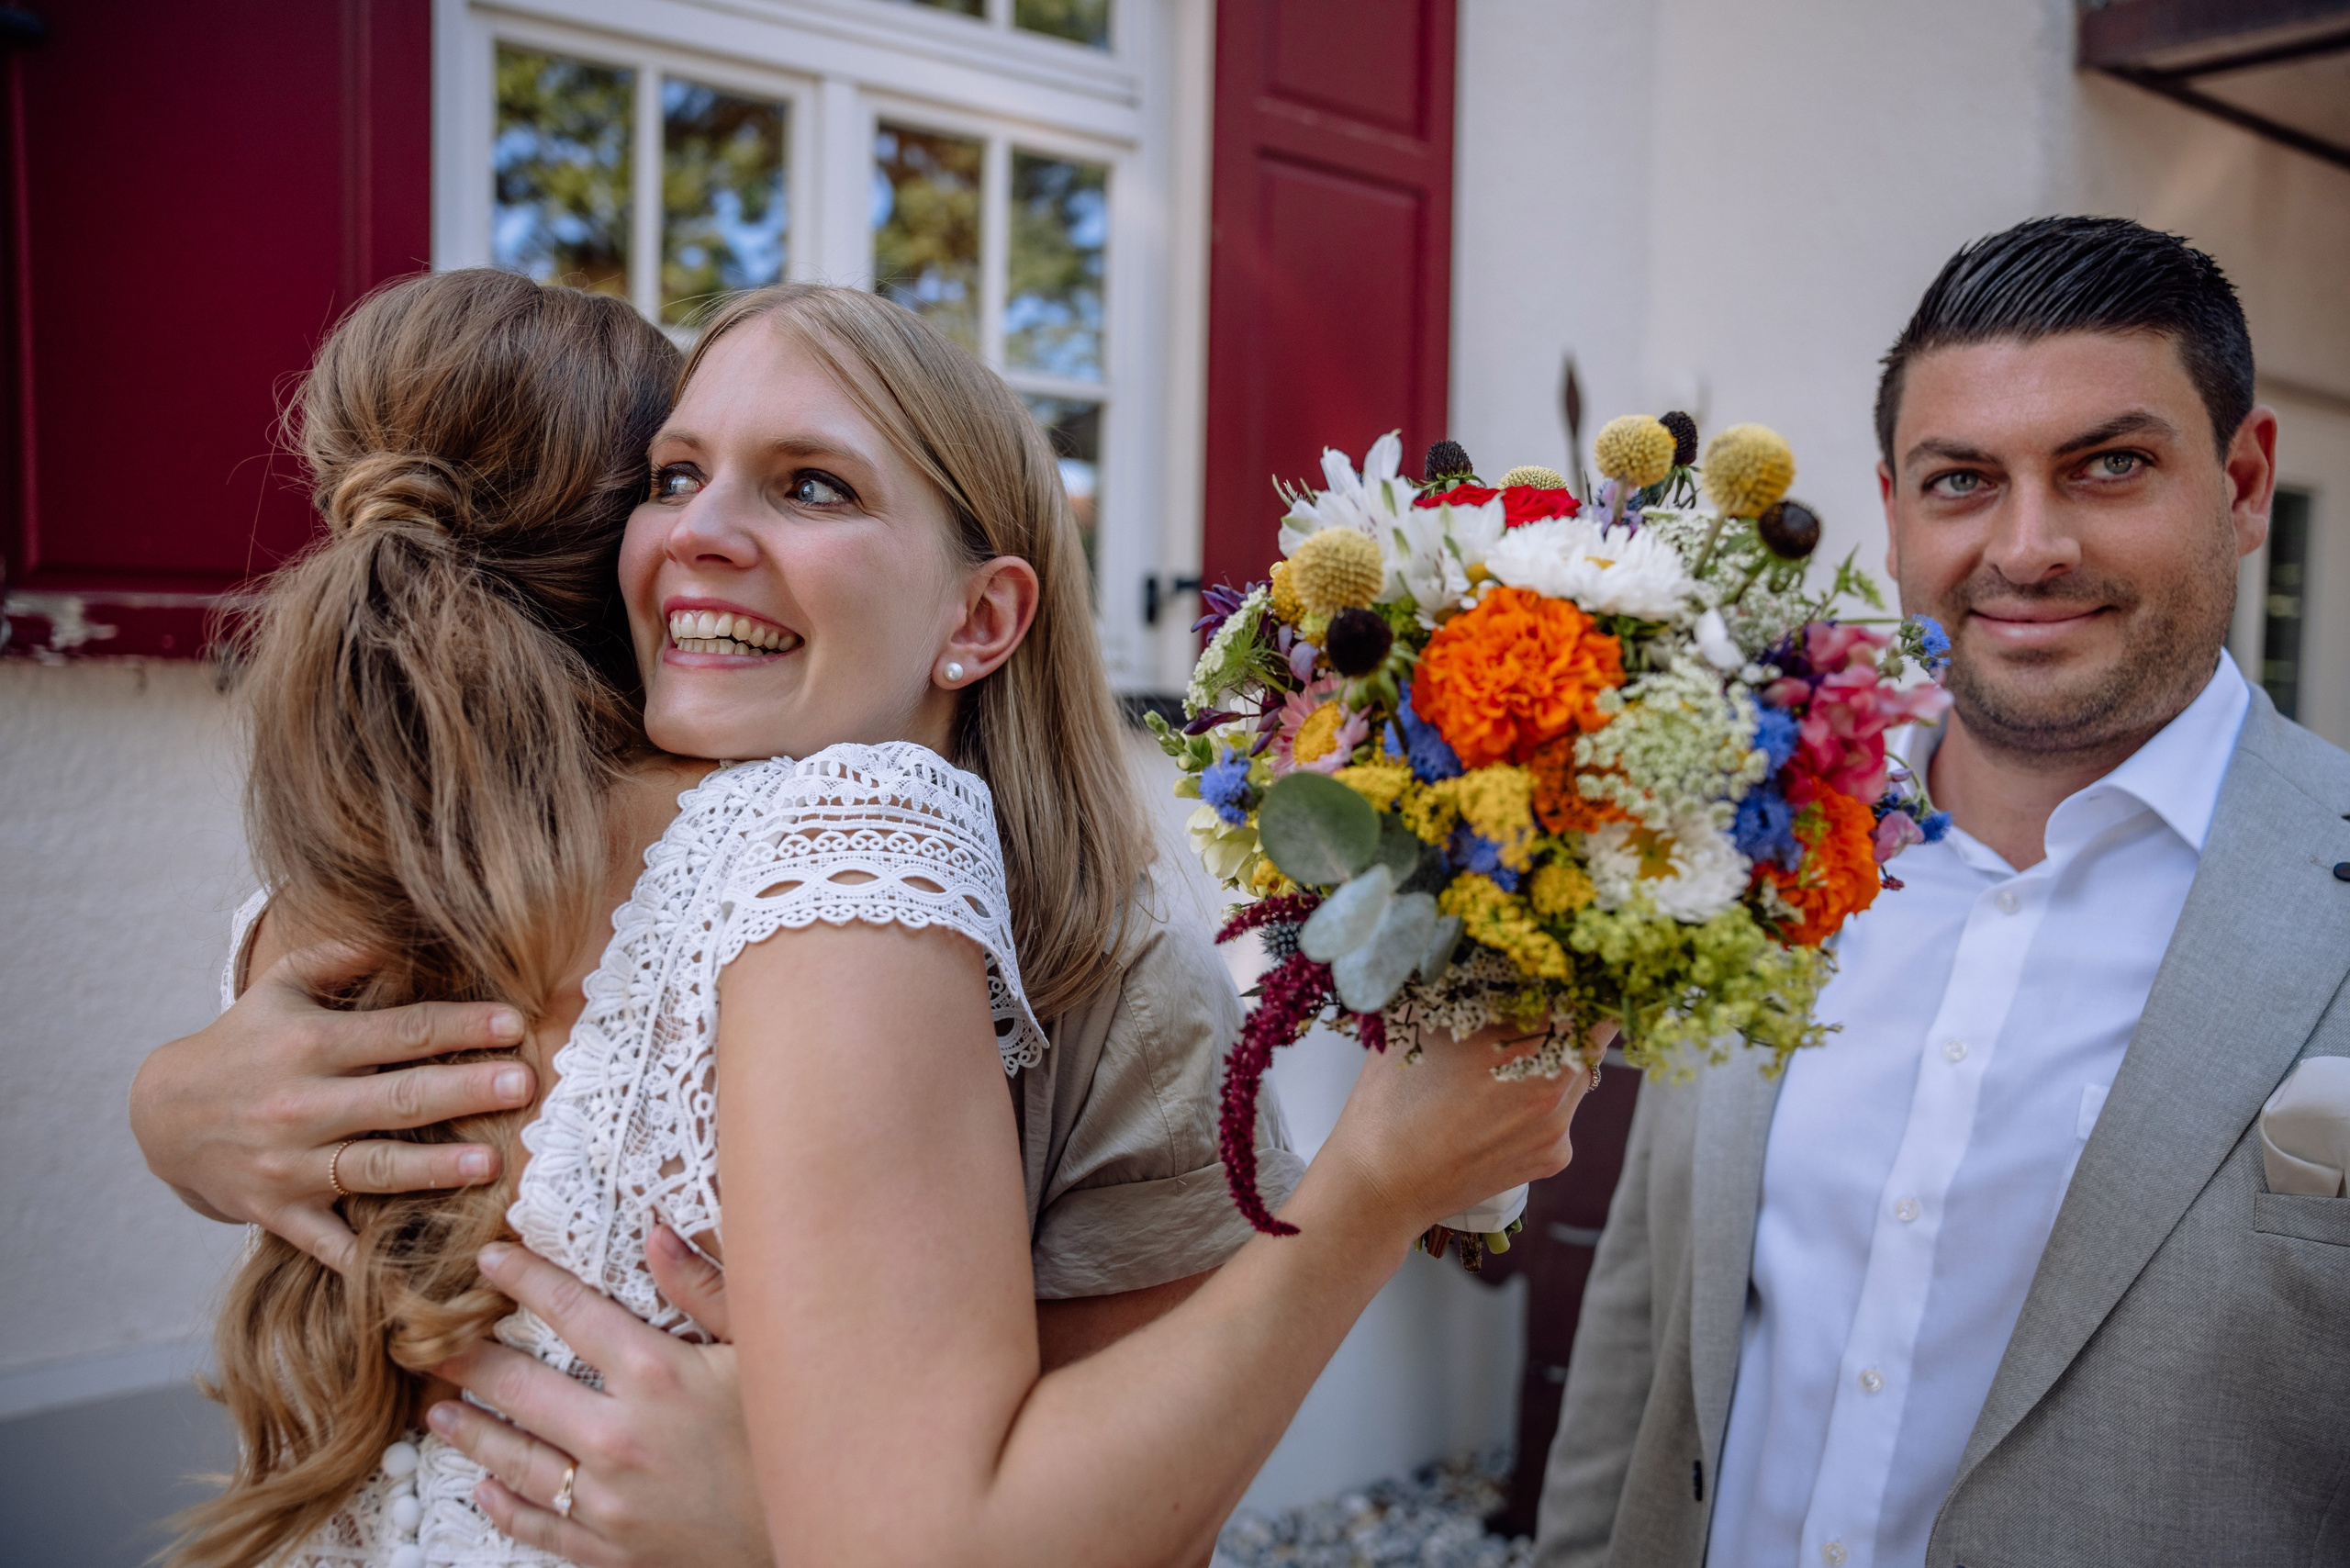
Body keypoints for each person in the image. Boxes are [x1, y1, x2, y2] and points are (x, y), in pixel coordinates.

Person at [150, 271, 1589, 1567]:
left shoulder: (1103, 952)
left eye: (812, 487)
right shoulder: (436, 869)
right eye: (671, 475)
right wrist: (173, 1112)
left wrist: (792, 1521)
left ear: (981, 620)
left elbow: (1140, 1520)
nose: (700, 534)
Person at [1535, 215, 2350, 1568]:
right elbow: (1643, 1342)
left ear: (2246, 482)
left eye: (2110, 466)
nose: (2026, 549)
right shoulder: (1754, 860)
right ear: (1894, 506)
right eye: (1962, 480)